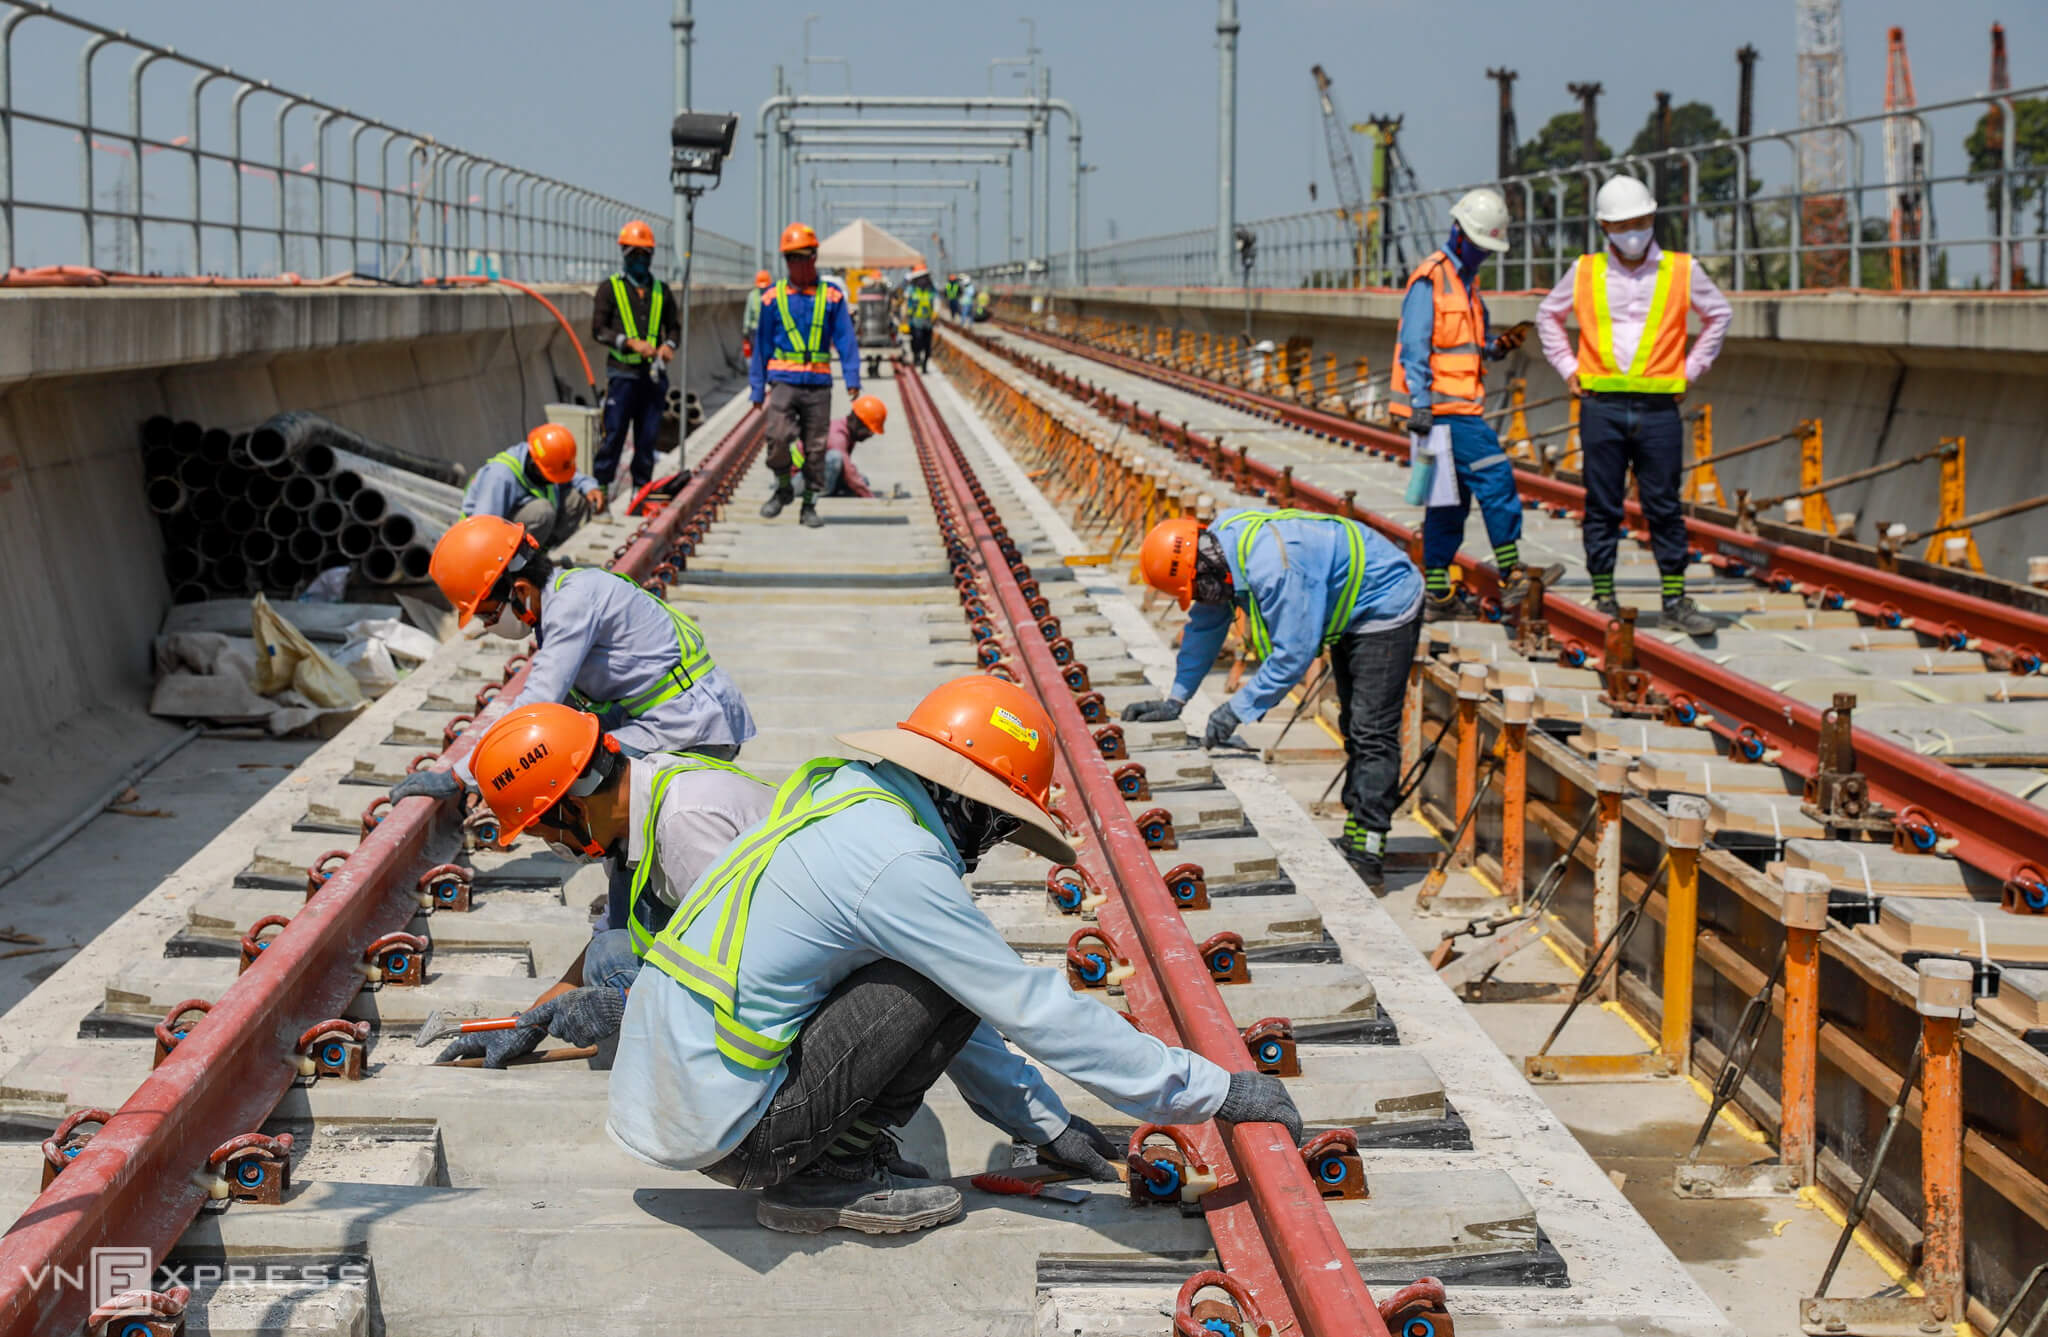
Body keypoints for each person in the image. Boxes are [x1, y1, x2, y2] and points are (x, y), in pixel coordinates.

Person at [607, 675, 1306, 1236]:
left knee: (941, 972)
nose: (989, 844)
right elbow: (1024, 1005)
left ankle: (826, 1156)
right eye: (998, 823)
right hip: (732, 1131)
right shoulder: (899, 862)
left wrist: (1042, 1122)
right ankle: (822, 1178)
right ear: (965, 801)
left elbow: (960, 1007)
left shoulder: (845, 798)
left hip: (681, 1095)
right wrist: (1214, 1090)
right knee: (944, 975)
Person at [392, 515, 756, 927]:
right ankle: (633, 917)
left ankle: (627, 929)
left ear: (521, 591)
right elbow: (551, 711)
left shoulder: (570, 605)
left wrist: (462, 776)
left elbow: (537, 701)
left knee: (601, 798)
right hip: (677, 719)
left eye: (489, 615)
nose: (489, 626)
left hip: (691, 726)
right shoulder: (564, 597)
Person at [437, 702, 774, 1067]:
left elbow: (753, 970)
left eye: (547, 834)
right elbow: (610, 933)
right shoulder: (636, 807)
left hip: (789, 997)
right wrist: (526, 1023)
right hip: (754, 958)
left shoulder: (683, 829)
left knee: (613, 965)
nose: (555, 847)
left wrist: (626, 1002)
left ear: (576, 811)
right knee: (608, 951)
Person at [1125, 511, 1422, 890]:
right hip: (1347, 597)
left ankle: (1368, 849)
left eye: (1195, 590)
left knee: (1372, 730)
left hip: (1386, 601)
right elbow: (1206, 625)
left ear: (1203, 569)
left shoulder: (1276, 567)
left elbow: (1293, 655)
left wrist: (1235, 710)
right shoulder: (1218, 554)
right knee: (1354, 725)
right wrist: (1176, 700)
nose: (1198, 599)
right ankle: (1357, 829)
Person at [1538, 175, 1730, 636]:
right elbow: (1548, 314)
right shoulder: (1585, 271)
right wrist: (1569, 368)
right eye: (1623, 224)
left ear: (1652, 218)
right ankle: (1603, 594)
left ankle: (1674, 600)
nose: (1633, 232)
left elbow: (1718, 313)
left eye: (1641, 221)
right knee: (1602, 504)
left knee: (1663, 504)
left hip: (1658, 408)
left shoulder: (1681, 270)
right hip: (1601, 404)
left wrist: (1691, 369)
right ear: (1605, 227)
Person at [1389, 187, 1560, 621]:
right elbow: (1414, 346)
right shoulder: (1432, 278)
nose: (1485, 255)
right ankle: (1511, 574)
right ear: (1460, 233)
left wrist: (1496, 347)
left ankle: (1438, 594)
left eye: (1490, 249)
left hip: (1456, 409)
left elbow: (1464, 346)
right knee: (1496, 477)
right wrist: (1421, 404)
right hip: (1446, 414)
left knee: (1449, 502)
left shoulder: (1466, 283)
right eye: (1481, 247)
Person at [750, 222, 861, 530]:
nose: (798, 265)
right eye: (791, 259)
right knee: (778, 437)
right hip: (784, 381)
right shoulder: (773, 298)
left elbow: (846, 340)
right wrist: (757, 389)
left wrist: (852, 377)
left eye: (803, 257)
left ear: (814, 258)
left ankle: (809, 505)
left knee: (815, 448)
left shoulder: (832, 297)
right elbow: (761, 347)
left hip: (818, 384)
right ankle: (784, 486)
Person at [590, 220, 681, 499]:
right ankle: (601, 488)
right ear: (625, 255)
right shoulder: (610, 289)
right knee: (614, 433)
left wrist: (668, 345)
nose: (640, 261)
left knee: (647, 436)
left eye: (644, 255)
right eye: (634, 255)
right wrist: (629, 343)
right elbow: (598, 330)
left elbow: (675, 327)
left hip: (652, 377)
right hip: (622, 374)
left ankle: (641, 489)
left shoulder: (661, 291)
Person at [460, 423, 603, 549]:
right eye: (550, 477)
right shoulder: (501, 476)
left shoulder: (544, 458)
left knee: (576, 498)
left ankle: (538, 555)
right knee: (542, 511)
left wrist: (590, 487)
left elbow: (571, 475)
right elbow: (483, 528)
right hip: (485, 534)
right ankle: (517, 566)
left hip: (521, 527)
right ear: (534, 466)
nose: (554, 482)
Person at [819, 394, 886, 499]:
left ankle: (828, 490)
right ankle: (818, 496)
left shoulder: (848, 432)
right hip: (798, 479)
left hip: (815, 476)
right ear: (857, 422)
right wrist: (870, 497)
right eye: (869, 430)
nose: (870, 435)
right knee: (835, 458)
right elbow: (848, 471)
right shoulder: (837, 437)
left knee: (863, 481)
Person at [903, 265, 938, 372]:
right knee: (917, 341)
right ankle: (917, 356)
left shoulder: (932, 290)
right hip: (915, 320)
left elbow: (936, 302)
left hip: (928, 320)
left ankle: (924, 364)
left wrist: (935, 314)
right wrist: (905, 316)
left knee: (927, 344)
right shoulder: (911, 290)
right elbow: (905, 302)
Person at [740, 268, 773, 363]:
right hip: (755, 330)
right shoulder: (752, 296)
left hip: (768, 330)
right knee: (756, 354)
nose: (763, 289)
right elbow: (748, 314)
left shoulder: (772, 295)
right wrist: (746, 330)